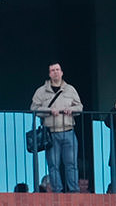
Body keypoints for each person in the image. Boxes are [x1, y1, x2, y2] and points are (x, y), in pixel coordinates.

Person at [31, 62, 84, 195]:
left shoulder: (70, 89)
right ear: (49, 74)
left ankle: (74, 191)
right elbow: (34, 109)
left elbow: (79, 107)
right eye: (53, 70)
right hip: (51, 132)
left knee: (71, 164)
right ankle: (57, 191)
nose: (55, 72)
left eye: (57, 70)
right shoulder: (41, 91)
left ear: (61, 72)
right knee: (53, 165)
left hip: (68, 130)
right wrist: (49, 110)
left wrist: (71, 110)